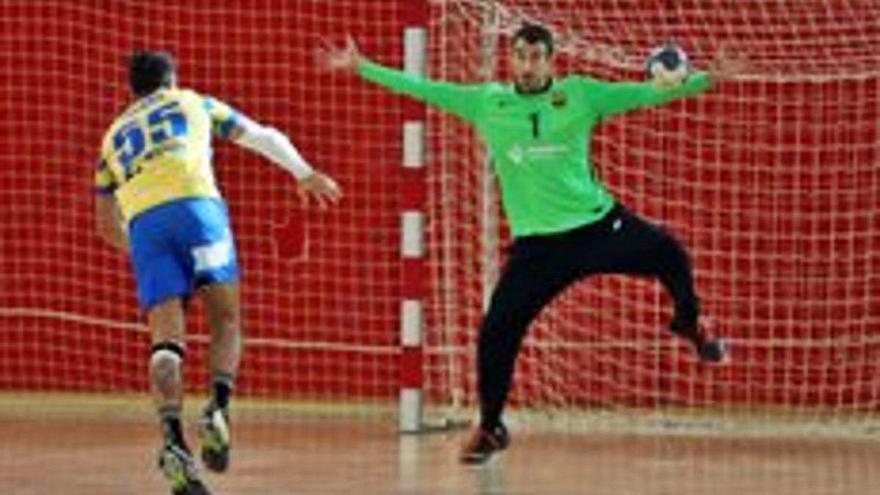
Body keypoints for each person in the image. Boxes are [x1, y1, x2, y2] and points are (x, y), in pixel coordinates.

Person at [323, 24, 734, 465]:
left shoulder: (581, 94)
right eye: (521, 55)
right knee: (496, 332)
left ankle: (689, 323)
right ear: (511, 59)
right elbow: (424, 88)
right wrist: (362, 67)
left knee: (669, 252)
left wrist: (709, 78)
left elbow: (646, 94)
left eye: (537, 56)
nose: (528, 64)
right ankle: (491, 427)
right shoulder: (488, 102)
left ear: (551, 60)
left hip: (598, 225)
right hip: (539, 249)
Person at [94, 51, 341, 494]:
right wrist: (303, 173)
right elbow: (260, 135)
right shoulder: (192, 102)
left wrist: (145, 250)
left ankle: (173, 442)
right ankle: (218, 407)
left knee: (166, 343)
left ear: (131, 91)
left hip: (146, 224)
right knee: (225, 318)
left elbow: (106, 223)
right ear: (171, 79)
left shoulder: (113, 137)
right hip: (197, 209)